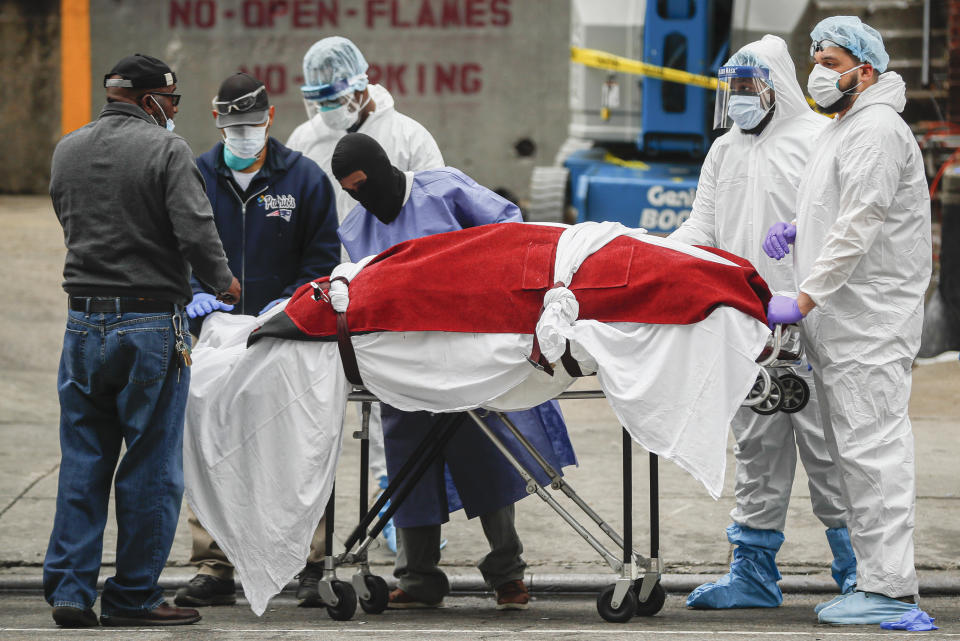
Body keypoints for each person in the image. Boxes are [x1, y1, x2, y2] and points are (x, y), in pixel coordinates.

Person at [332, 132, 576, 611]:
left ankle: (507, 572)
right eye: (349, 191)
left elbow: (511, 229)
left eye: (363, 185)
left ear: (382, 170)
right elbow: (353, 288)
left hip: (467, 355)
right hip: (403, 363)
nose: (360, 197)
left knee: (487, 454)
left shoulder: (444, 190)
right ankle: (418, 577)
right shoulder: (355, 226)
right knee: (408, 467)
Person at [44, 53, 240, 628]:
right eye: (172, 102)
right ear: (153, 98)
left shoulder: (67, 149)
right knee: (151, 469)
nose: (174, 113)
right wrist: (223, 281)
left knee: (83, 462)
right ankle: (131, 597)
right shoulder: (166, 150)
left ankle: (71, 593)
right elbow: (195, 227)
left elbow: (68, 216)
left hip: (81, 325)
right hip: (150, 326)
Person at [670, 35, 855, 610]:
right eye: (734, 89)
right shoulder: (723, 151)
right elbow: (701, 228)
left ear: (775, 85)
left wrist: (801, 238)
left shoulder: (817, 140)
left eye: (750, 87)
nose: (741, 98)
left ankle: (861, 570)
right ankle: (752, 574)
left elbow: (843, 220)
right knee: (755, 448)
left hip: (810, 321)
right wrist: (656, 256)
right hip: (750, 325)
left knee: (829, 449)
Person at [763, 16, 931, 624]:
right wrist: (800, 228)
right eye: (817, 62)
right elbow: (841, 209)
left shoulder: (878, 130)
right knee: (854, 450)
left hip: (869, 320)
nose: (821, 74)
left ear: (867, 68)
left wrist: (804, 296)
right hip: (847, 321)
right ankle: (875, 578)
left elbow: (860, 223)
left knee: (873, 448)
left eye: (833, 63)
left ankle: (890, 588)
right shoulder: (846, 127)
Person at [174, 72, 340, 608]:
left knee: (300, 445)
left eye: (251, 123)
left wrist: (291, 304)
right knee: (210, 441)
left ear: (270, 118)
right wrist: (195, 294)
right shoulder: (194, 176)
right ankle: (215, 561)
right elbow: (176, 248)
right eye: (231, 124)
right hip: (216, 334)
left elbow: (323, 260)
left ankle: (313, 560)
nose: (242, 133)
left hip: (287, 334)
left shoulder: (305, 179)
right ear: (216, 121)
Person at [285, 35, 444, 586]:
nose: (328, 111)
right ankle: (315, 551)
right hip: (332, 294)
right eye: (319, 100)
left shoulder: (408, 137)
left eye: (335, 99)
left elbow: (439, 212)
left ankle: (406, 518)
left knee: (397, 419)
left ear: (360, 87)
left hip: (398, 295)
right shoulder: (307, 141)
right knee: (324, 417)